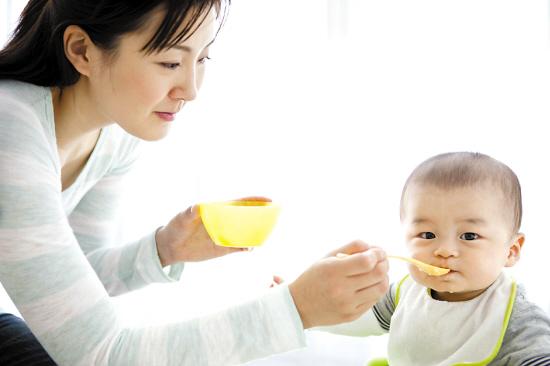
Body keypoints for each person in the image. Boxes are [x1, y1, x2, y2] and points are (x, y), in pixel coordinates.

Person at [0, 1, 390, 365]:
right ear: (82, 51)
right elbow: (101, 353)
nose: (190, 89)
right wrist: (297, 308)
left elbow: (74, 284)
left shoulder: (115, 136)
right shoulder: (11, 129)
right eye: (170, 62)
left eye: (201, 58)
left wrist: (164, 249)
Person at [320, 152, 550, 365]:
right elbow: (350, 317)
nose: (445, 250)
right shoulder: (405, 292)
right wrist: (304, 305)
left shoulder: (518, 320)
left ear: (511, 250)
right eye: (427, 235)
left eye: (469, 236)